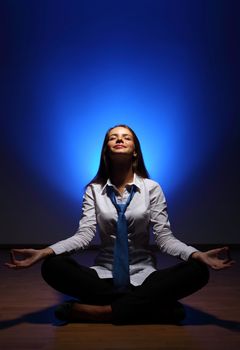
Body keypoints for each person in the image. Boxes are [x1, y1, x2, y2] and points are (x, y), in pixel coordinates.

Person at [5, 124, 234, 325]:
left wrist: (197, 255)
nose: (119, 139)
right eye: (113, 137)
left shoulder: (152, 188)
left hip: (143, 277)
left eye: (126, 137)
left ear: (135, 150)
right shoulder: (93, 190)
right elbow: (84, 235)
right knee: (52, 266)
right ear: (106, 149)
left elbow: (165, 239)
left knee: (198, 271)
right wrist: (44, 252)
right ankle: (154, 309)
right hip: (104, 277)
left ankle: (104, 311)